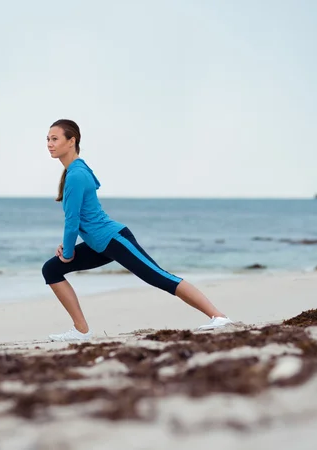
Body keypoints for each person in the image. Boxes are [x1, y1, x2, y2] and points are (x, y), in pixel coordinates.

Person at [42, 119, 233, 342]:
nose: (49, 144)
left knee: (160, 277)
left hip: (114, 239)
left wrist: (67, 253)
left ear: (71, 141)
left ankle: (219, 317)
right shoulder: (76, 169)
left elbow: (72, 220)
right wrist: (68, 247)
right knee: (51, 270)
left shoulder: (76, 174)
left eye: (54, 139)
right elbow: (80, 217)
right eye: (47, 139)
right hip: (99, 244)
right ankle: (81, 331)